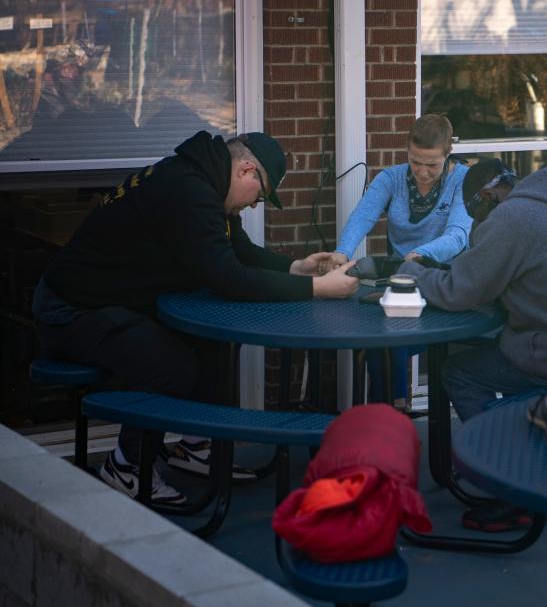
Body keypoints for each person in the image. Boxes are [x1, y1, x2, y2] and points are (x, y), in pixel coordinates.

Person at [32, 130, 358, 506]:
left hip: (108, 300)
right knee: (169, 364)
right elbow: (228, 277)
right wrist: (318, 290)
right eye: (260, 196)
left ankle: (195, 448)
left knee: (208, 343)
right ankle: (126, 467)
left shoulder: (202, 178)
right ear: (247, 171)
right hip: (69, 309)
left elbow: (237, 251)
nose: (254, 206)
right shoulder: (190, 192)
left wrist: (295, 267)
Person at [397, 158, 547, 531]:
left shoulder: (513, 217)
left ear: (489, 195)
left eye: (476, 211)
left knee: (458, 373)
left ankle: (513, 482)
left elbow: (462, 291)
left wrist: (411, 271)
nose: (479, 222)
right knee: (492, 355)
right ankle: (537, 459)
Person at [320, 114, 472, 411]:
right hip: (401, 282)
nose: (423, 172)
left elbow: (458, 236)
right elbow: (362, 216)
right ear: (407, 151)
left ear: (448, 154)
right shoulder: (390, 178)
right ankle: (390, 410)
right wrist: (342, 251)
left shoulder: (462, 181)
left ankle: (393, 409)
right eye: (416, 162)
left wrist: (420, 256)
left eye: (432, 164)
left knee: (394, 338)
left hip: (445, 282)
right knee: (386, 335)